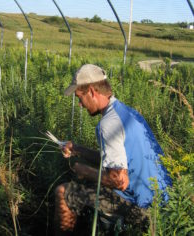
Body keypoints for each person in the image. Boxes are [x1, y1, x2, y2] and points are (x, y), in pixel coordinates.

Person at [54, 64, 171, 235]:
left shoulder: (108, 125)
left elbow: (119, 181)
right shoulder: (127, 113)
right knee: (91, 183)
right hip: (167, 202)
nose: (80, 104)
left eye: (80, 97)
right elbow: (118, 162)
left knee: (63, 193)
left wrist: (83, 170)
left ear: (92, 92)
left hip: (143, 209)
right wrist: (78, 149)